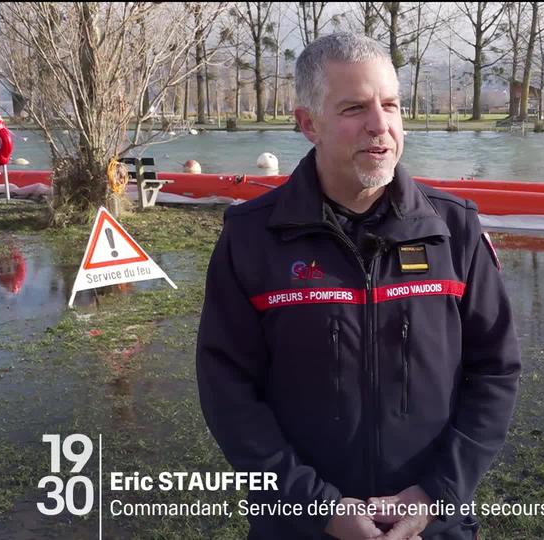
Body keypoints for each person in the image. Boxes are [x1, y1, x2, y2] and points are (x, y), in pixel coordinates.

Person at [196, 32, 521, 540]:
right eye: (354, 108)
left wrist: (437, 494)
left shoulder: (453, 230)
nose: (380, 126)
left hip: (432, 524)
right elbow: (227, 390)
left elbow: (496, 371)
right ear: (309, 123)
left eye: (390, 104)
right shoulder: (251, 238)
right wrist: (314, 506)